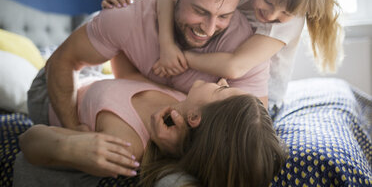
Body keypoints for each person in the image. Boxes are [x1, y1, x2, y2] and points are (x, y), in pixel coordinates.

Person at [27, 0, 270, 155]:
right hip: (57, 87)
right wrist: (75, 133)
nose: (208, 28)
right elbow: (63, 61)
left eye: (223, 16)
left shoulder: (245, 51)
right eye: (199, 11)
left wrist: (176, 149)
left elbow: (247, 137)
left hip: (116, 86)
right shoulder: (127, 17)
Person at [102, 0, 344, 110]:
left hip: (259, 97)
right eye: (268, 0)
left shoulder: (288, 24)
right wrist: (166, 44)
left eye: (286, 12)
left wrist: (180, 57)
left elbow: (235, 67)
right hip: (212, 79)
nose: (271, 15)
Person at [20, 73, 287, 187]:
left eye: (222, 89)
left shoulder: (126, 145)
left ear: (195, 118)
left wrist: (69, 147)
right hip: (91, 77)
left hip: (48, 93)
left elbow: (29, 141)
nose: (223, 79)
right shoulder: (183, 106)